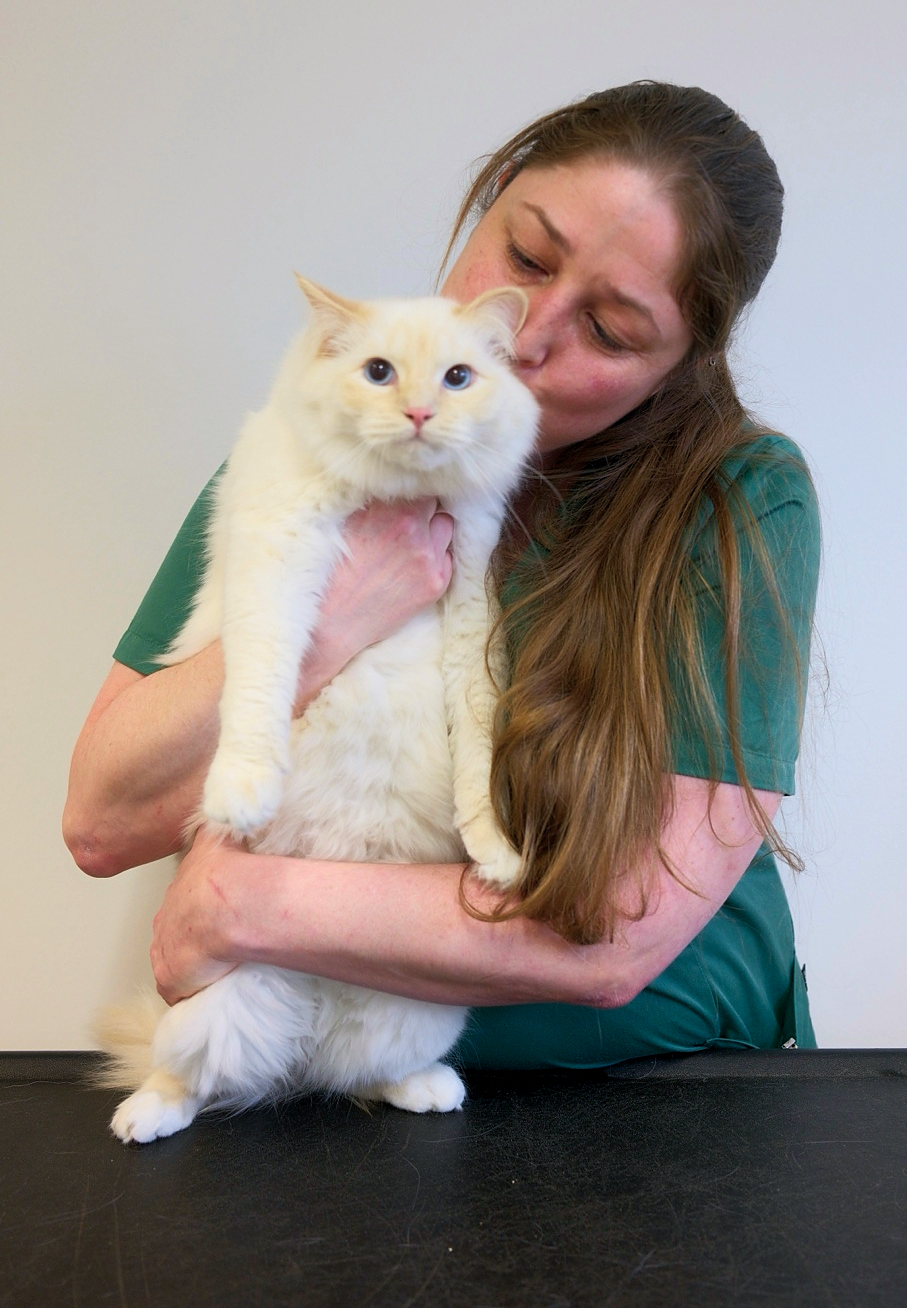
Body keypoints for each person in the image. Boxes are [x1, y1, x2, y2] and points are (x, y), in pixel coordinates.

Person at [65, 81, 820, 1067]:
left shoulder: (740, 501)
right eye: (524, 255)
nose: (534, 333)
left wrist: (244, 905)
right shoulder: (316, 447)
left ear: (679, 362)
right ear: (492, 191)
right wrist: (327, 623)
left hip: (671, 1099)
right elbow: (103, 821)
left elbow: (621, 939)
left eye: (611, 330)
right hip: (350, 1093)